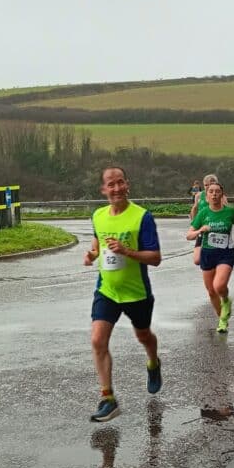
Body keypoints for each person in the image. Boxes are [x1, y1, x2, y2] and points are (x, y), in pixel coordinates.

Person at [84, 167, 162, 423]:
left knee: (144, 336)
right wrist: (92, 254)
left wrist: (128, 252)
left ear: (127, 185)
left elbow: (155, 258)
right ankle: (108, 398)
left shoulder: (142, 217)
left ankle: (153, 362)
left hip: (136, 292)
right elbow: (98, 244)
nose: (116, 188)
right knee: (97, 340)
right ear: (103, 189)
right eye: (110, 184)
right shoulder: (98, 216)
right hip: (107, 289)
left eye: (120, 183)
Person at [186, 181, 234, 333]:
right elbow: (189, 235)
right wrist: (200, 230)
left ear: (222, 195)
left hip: (225, 253)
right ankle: (222, 319)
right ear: (207, 195)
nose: (214, 194)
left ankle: (225, 300)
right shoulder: (203, 213)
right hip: (207, 253)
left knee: (219, 286)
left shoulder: (230, 212)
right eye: (211, 192)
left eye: (217, 191)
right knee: (211, 291)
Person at [189, 173, 222, 266]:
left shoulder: (221, 196)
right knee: (197, 260)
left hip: (216, 229)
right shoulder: (199, 195)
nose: (208, 187)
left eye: (210, 184)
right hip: (202, 229)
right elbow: (194, 208)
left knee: (215, 257)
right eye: (206, 185)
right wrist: (194, 223)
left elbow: (225, 211)